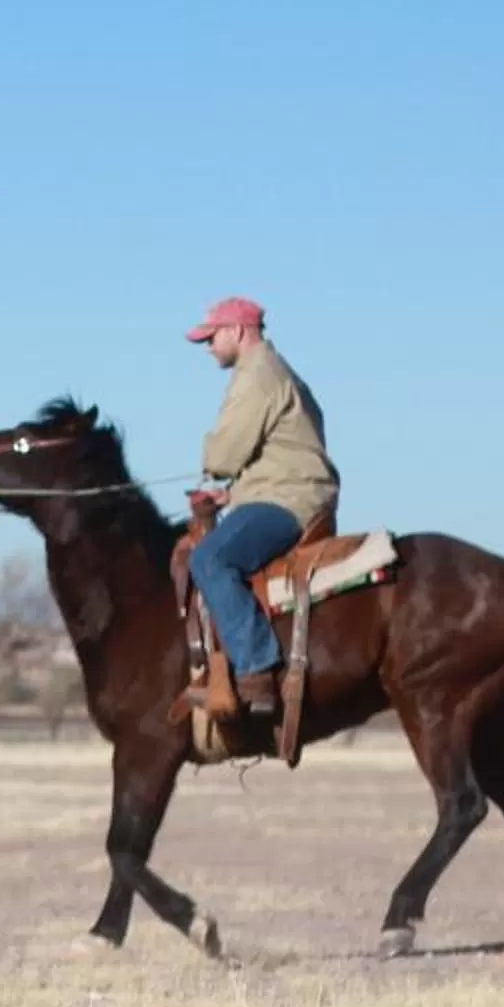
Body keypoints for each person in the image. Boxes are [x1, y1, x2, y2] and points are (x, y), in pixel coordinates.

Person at [181, 295, 337, 716]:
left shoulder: (257, 376)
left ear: (236, 331)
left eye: (211, 337)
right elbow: (283, 454)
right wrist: (232, 495)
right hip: (287, 490)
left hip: (287, 500)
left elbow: (225, 455)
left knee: (210, 560)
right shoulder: (278, 372)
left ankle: (257, 668)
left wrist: (213, 463)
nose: (208, 347)